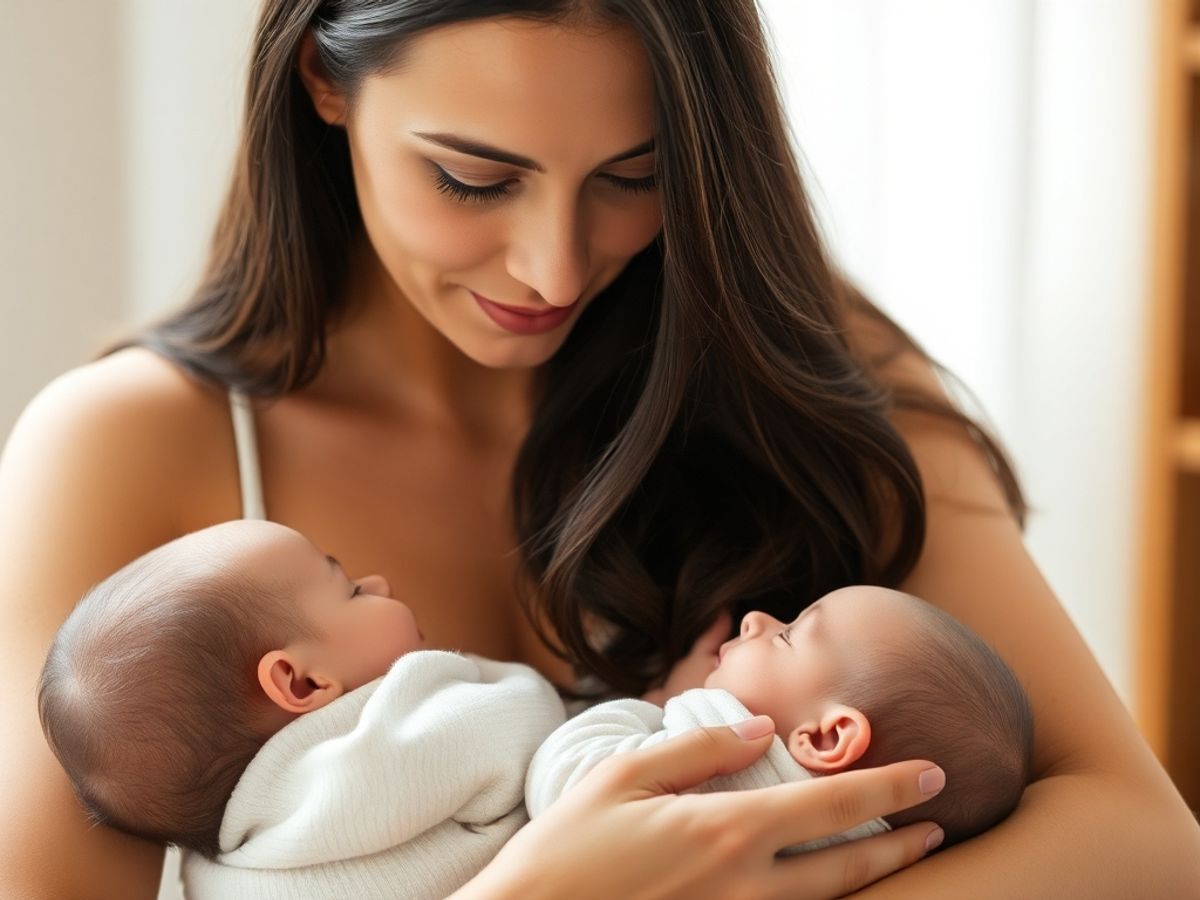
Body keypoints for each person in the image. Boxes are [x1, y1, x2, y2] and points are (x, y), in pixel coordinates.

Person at [1, 1, 1196, 897]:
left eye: (638, 176)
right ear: (323, 79)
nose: (555, 269)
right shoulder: (125, 447)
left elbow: (1142, 844)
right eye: (473, 177)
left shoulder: (815, 380)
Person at [37, 519, 569, 899]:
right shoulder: (404, 730)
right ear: (301, 682)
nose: (381, 583)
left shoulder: (216, 875)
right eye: (354, 591)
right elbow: (538, 724)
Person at [527, 586, 1032, 853]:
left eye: (787, 635)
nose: (757, 620)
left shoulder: (728, 766)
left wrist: (660, 703)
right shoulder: (834, 847)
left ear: (826, 737)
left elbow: (560, 785)